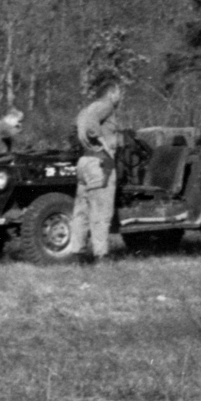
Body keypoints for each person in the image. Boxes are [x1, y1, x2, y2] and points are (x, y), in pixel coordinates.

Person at [70, 62, 129, 264]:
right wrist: (102, 143)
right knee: (101, 212)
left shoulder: (87, 108)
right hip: (100, 164)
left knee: (81, 211)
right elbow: (91, 126)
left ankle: (76, 254)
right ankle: (102, 257)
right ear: (112, 93)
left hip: (84, 161)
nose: (120, 97)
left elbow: (79, 126)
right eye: (119, 93)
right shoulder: (105, 106)